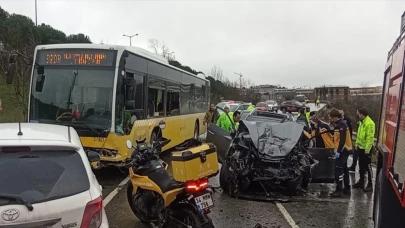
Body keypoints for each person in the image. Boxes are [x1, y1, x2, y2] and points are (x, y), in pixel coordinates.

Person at [329, 108, 352, 197]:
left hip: (343, 150)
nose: (330, 120)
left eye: (331, 118)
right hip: (344, 150)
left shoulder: (341, 125)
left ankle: (339, 190)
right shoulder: (339, 124)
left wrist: (338, 151)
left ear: (335, 117)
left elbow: (342, 140)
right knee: (345, 169)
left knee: (338, 170)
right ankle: (347, 188)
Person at [353, 107, 375, 192]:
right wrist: (357, 143)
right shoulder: (362, 122)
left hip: (366, 149)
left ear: (362, 114)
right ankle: (361, 182)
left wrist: (367, 150)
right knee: (361, 166)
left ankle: (370, 184)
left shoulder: (369, 123)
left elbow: (370, 138)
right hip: (360, 147)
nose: (358, 115)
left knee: (368, 167)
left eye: (358, 113)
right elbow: (359, 134)